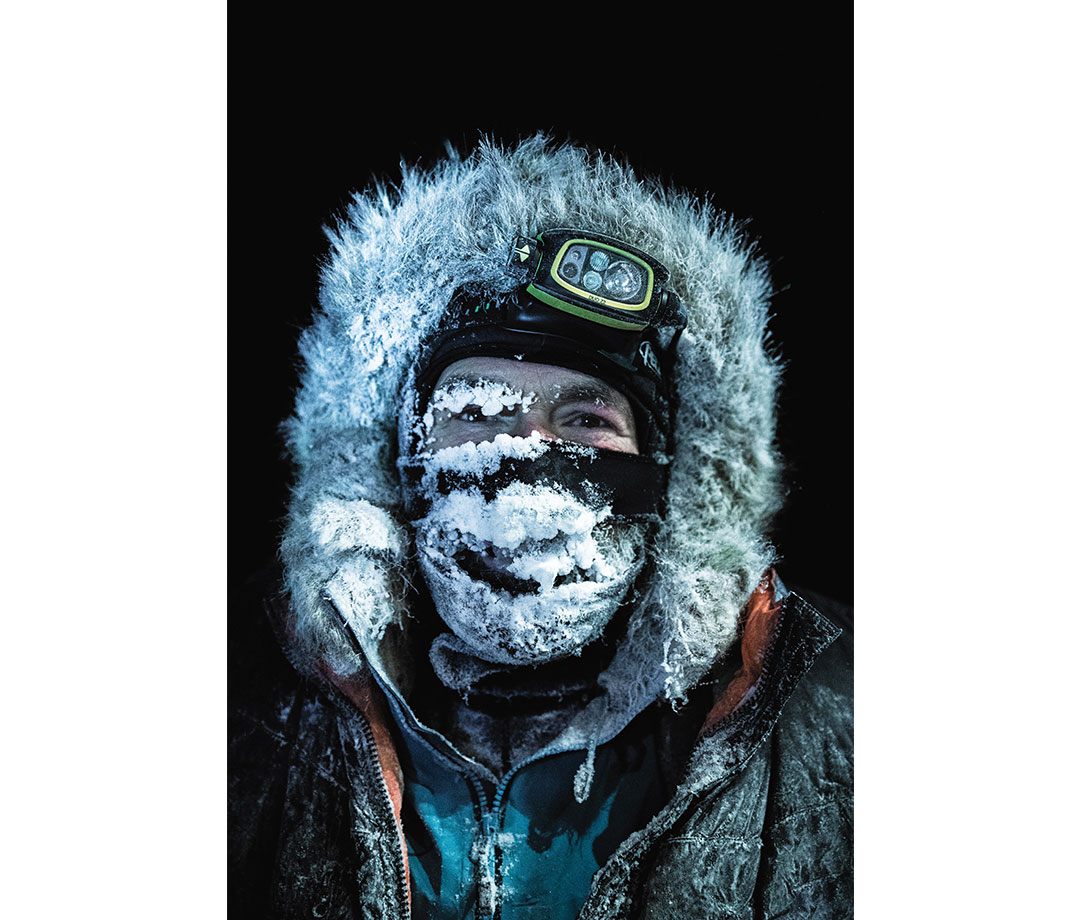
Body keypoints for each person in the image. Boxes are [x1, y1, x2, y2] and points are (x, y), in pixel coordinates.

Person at [229, 135, 853, 919]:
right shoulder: (238, 695)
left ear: (673, 473)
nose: (524, 468)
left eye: (585, 418)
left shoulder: (834, 715)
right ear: (393, 467)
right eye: (477, 414)